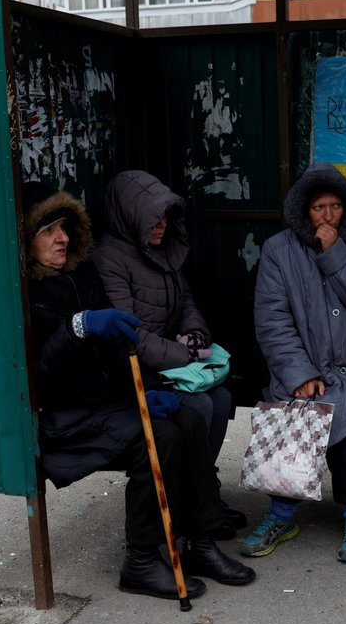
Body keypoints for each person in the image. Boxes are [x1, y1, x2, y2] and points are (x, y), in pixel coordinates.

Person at [21, 181, 254, 601]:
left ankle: (199, 543)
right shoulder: (24, 293)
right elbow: (39, 374)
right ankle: (141, 561)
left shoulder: (81, 272)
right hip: (65, 419)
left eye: (64, 227)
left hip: (107, 406)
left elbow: (116, 351)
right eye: (48, 230)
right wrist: (76, 328)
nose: (62, 238)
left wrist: (141, 394)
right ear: (26, 236)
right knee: (159, 437)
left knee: (185, 416)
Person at [248, 161, 346, 563]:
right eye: (318, 208)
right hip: (301, 371)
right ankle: (282, 513)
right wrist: (299, 373)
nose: (328, 216)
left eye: (335, 207)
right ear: (302, 211)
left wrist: (335, 252)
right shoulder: (278, 250)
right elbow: (272, 320)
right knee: (296, 427)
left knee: (345, 432)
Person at [91, 170, 245, 540]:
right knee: (200, 407)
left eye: (165, 216)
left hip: (171, 363)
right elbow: (130, 333)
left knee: (221, 398)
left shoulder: (163, 250)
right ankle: (189, 501)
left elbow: (186, 302)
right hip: (135, 371)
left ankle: (201, 491)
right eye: (153, 218)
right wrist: (183, 354)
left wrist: (195, 335)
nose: (161, 225)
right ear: (131, 216)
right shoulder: (109, 258)